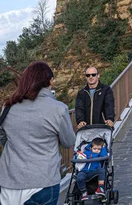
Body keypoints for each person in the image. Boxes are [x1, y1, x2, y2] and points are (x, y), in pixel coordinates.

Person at [0, 61, 76, 205]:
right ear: (50, 81)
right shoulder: (58, 109)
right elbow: (69, 142)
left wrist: (17, 145)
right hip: (43, 181)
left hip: (9, 183)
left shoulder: (8, 106)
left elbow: (2, 137)